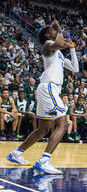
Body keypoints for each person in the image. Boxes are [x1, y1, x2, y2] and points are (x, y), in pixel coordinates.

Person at [6, 20, 79, 174]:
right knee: (63, 124)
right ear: (47, 34)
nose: (56, 32)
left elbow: (75, 68)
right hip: (49, 87)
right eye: (53, 30)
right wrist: (59, 29)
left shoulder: (58, 54)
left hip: (49, 89)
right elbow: (59, 43)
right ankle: (44, 161)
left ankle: (16, 153)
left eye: (55, 30)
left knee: (42, 130)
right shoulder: (47, 46)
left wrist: (72, 50)